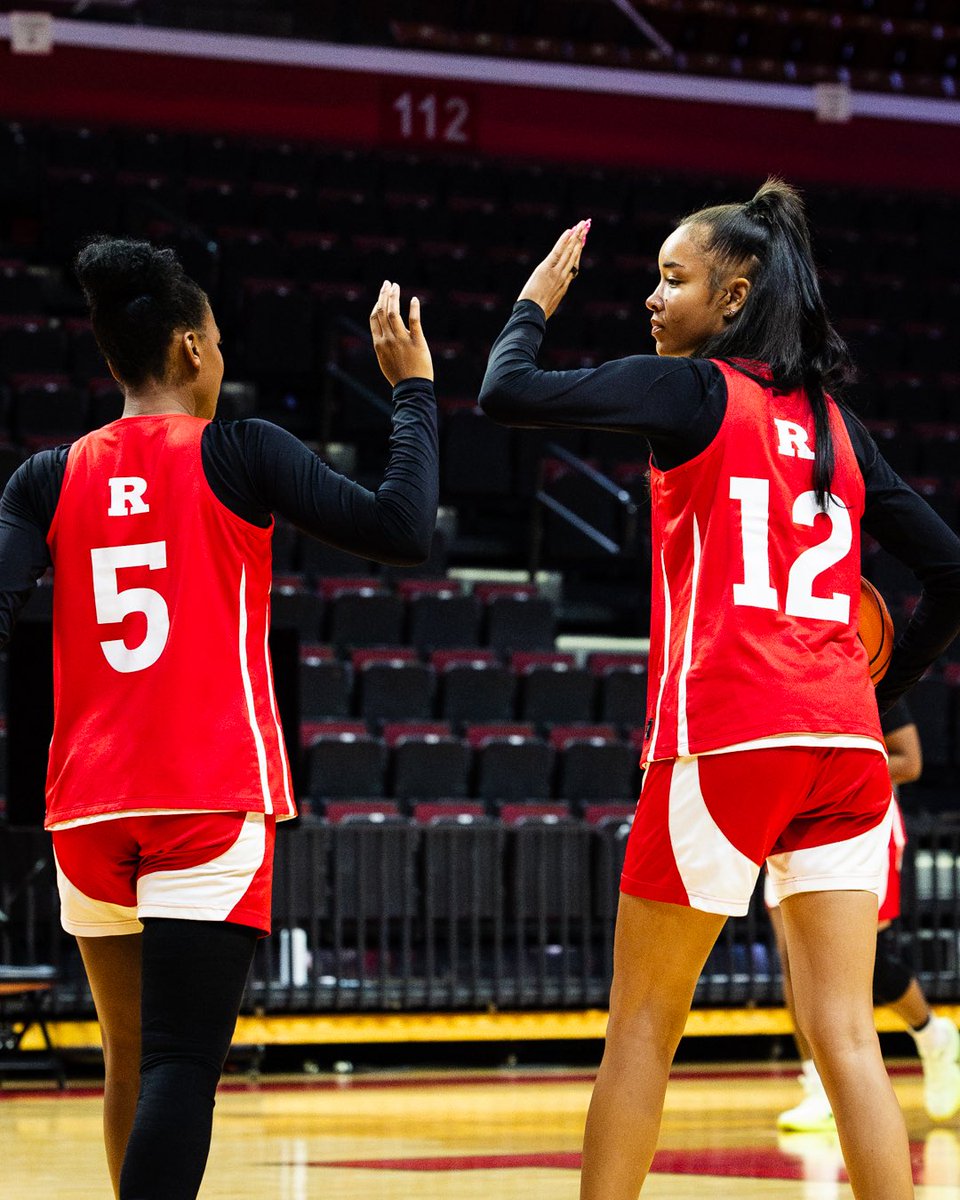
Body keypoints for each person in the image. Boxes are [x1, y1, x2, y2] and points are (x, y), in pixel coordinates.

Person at [478, 185, 960, 1200]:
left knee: (644, 1022)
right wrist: (884, 680)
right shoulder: (838, 425)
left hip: (731, 737)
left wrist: (532, 300)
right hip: (846, 747)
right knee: (845, 1036)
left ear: (733, 294)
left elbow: (505, 391)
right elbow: (952, 571)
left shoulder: (691, 393)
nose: (654, 299)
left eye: (672, 278)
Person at [0, 239, 438, 1200]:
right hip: (204, 796)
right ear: (194, 349)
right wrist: (412, 391)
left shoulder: (47, 477)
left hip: (86, 806)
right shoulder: (240, 451)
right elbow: (404, 527)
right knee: (180, 1069)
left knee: (130, 1063)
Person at [772, 700, 960, 1128]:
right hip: (790, 819)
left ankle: (933, 1034)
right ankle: (816, 1085)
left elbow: (909, 762)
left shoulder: (868, 675)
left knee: (865, 962)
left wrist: (831, 770)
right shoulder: (783, 675)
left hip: (857, 818)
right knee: (791, 959)